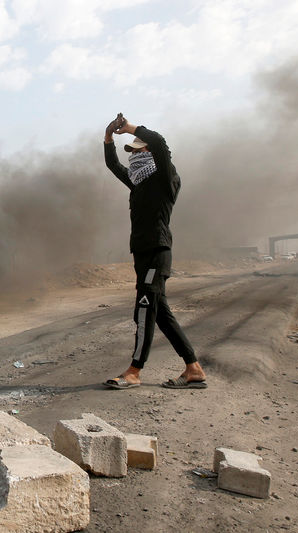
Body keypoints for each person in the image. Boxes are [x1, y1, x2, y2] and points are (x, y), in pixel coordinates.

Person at [102, 113, 207, 389]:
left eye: (137, 150)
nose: (132, 157)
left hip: (157, 251)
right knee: (161, 313)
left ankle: (134, 371)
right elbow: (113, 165)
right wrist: (108, 138)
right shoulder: (138, 182)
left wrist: (131, 128)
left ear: (147, 151)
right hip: (141, 253)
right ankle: (193, 368)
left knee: (145, 310)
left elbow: (160, 143)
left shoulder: (164, 177)